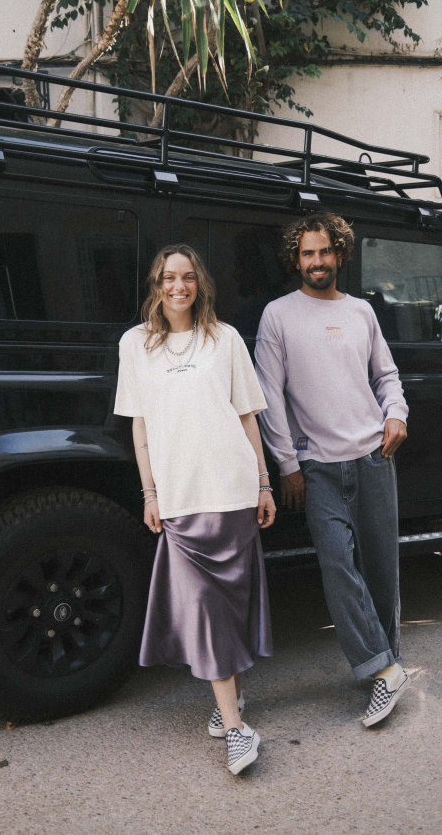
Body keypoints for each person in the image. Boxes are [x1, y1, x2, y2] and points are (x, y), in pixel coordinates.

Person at [114, 244, 276, 774]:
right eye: (168, 277)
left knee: (227, 605)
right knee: (205, 607)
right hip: (181, 497)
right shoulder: (135, 344)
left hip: (231, 489)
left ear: (199, 283)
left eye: (186, 277)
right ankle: (237, 726)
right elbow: (139, 427)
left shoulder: (225, 339)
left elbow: (247, 416)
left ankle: (231, 707)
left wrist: (263, 483)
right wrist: (150, 493)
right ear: (156, 285)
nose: (178, 286)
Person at [254, 214, 410, 727]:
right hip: (317, 467)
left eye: (325, 251)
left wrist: (396, 414)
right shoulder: (278, 315)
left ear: (340, 254)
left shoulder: (362, 312)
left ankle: (386, 668)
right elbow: (268, 396)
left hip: (374, 458)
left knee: (382, 572)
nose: (317, 261)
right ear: (295, 259)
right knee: (338, 568)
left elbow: (386, 375)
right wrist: (287, 465)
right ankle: (383, 669)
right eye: (307, 253)